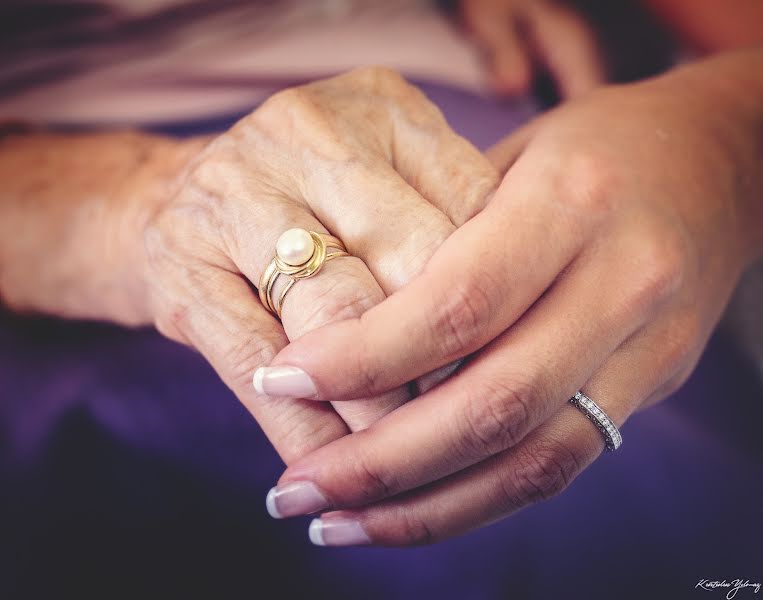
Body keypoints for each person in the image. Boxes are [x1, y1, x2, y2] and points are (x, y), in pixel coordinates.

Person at [1, 0, 762, 551]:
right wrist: (125, 208)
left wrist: (723, 139)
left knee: (562, 452)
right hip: (44, 197)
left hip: (426, 110)